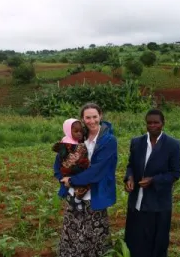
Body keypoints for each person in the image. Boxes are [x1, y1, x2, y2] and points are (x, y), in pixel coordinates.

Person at [53, 102, 118, 257]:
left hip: (94, 194)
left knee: (95, 234)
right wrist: (62, 179)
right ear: (83, 119)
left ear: (100, 116)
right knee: (73, 231)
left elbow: (97, 171)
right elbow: (59, 162)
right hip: (73, 194)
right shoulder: (77, 136)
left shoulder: (108, 141)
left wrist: (73, 180)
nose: (92, 121)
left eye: (95, 117)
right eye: (87, 117)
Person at [124, 108, 180, 257]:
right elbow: (131, 165)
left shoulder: (172, 145)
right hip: (137, 201)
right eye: (149, 123)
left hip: (158, 203)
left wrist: (154, 180)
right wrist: (129, 178)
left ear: (163, 123)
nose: (152, 126)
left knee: (157, 242)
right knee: (136, 241)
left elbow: (175, 173)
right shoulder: (137, 142)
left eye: (156, 122)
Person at [52, 118, 90, 209]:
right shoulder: (63, 148)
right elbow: (57, 167)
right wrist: (62, 179)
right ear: (68, 131)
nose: (79, 133)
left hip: (80, 180)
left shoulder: (83, 145)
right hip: (67, 182)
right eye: (76, 131)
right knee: (71, 205)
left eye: (81, 131)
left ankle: (78, 201)